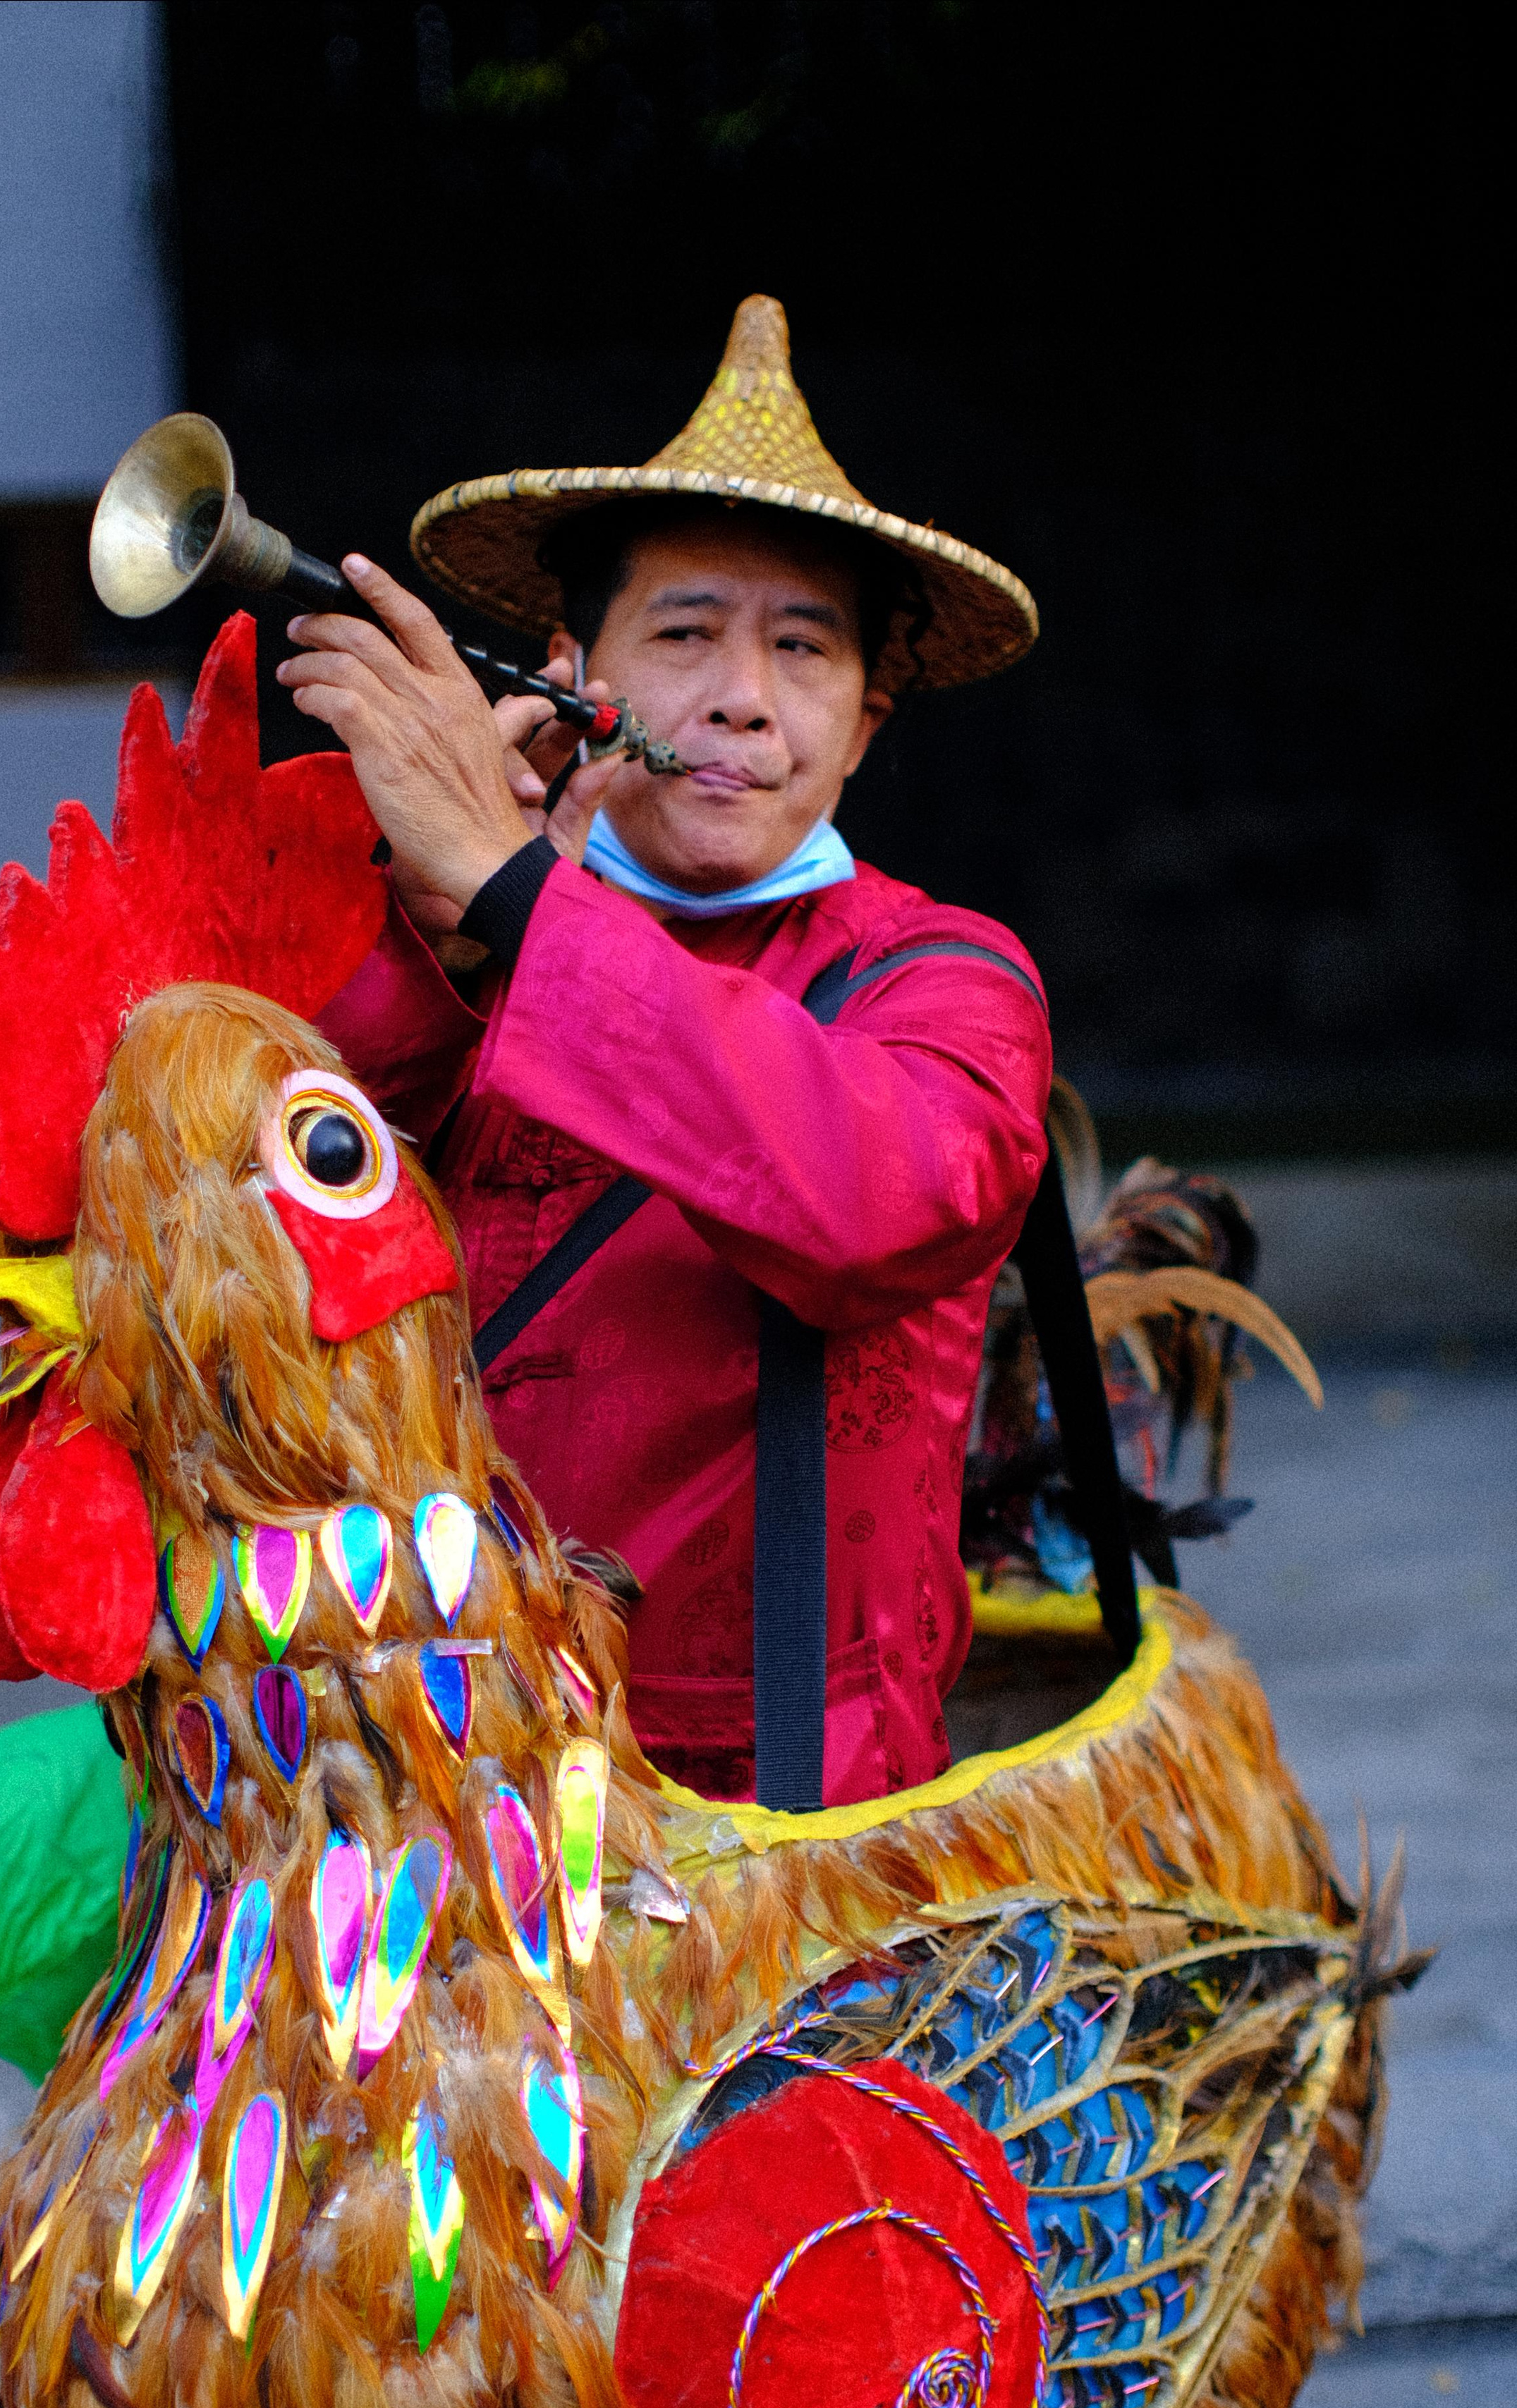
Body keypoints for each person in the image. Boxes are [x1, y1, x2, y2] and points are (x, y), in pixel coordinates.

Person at [276, 295, 1052, 1809]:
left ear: (867, 718)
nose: (739, 698)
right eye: (683, 634)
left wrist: (520, 895)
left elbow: (871, 1198)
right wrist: (434, 947)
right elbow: (273, 1231)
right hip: (428, 1775)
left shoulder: (946, 977)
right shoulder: (457, 933)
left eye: (803, 653)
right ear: (578, 668)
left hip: (781, 1815)